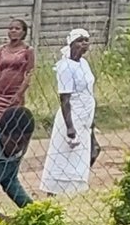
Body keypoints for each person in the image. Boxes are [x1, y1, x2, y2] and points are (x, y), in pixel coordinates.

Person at [42, 29, 97, 194]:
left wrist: (91, 119)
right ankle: (54, 191)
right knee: (63, 155)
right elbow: (65, 99)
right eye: (80, 40)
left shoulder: (84, 64)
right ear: (71, 44)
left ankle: (74, 188)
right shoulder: (65, 67)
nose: (84, 44)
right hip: (72, 116)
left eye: (86, 40)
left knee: (85, 153)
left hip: (85, 116)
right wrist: (70, 127)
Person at [0, 18, 35, 122]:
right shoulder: (1, 49)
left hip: (15, 93)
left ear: (23, 32)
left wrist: (19, 94)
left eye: (17, 28)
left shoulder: (27, 50)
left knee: (12, 123)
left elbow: (29, 74)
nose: (13, 30)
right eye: (11, 28)